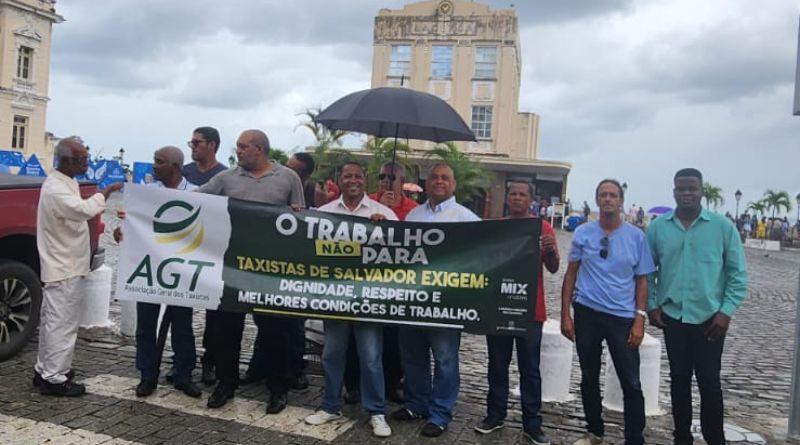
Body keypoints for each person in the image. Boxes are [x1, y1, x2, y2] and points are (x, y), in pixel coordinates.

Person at [197, 129, 305, 413]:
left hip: (270, 270)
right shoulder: (227, 178)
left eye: (243, 147)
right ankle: (226, 382)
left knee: (275, 331)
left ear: (260, 149)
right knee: (226, 329)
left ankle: (277, 388)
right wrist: (145, 206)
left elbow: (301, 218)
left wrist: (296, 213)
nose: (239, 151)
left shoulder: (288, 178)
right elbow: (195, 200)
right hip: (231, 267)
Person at [646, 168, 747, 445]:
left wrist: (726, 312)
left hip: (711, 320)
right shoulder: (658, 228)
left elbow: (737, 274)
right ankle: (681, 438)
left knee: (709, 381)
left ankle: (715, 439)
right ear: (674, 191)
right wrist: (652, 305)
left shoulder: (722, 227)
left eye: (692, 188)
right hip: (673, 318)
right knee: (679, 380)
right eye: (681, 189)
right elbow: (647, 270)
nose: (687, 193)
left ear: (702, 191)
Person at [304, 162, 396, 438]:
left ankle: (376, 411)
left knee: (370, 357)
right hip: (336, 299)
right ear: (339, 181)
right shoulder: (324, 213)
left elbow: (402, 253)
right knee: (332, 354)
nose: (353, 180)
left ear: (364, 180)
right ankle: (330, 405)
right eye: (347, 176)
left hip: (369, 299)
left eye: (357, 176)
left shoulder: (385, 213)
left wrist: (386, 229)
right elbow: (305, 244)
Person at [560, 179, 654, 445]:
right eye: (603, 195)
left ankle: (634, 437)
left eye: (613, 195)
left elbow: (642, 280)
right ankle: (594, 432)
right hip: (587, 312)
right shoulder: (584, 233)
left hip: (622, 318)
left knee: (631, 381)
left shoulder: (636, 237)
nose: (608, 199)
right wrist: (566, 314)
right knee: (589, 376)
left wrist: (639, 319)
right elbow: (571, 273)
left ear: (621, 201)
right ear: (597, 200)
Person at [391, 163, 480, 438]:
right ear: (427, 183)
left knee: (445, 359)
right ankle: (417, 403)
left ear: (454, 185)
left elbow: (479, 260)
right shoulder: (414, 215)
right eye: (434, 177)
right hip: (413, 301)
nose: (438, 181)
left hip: (446, 304)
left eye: (444, 178)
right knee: (413, 356)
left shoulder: (467, 219)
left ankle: (440, 413)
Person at [33, 136, 123, 396]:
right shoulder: (56, 189)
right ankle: (54, 378)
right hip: (63, 266)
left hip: (66, 262)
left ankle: (46, 369)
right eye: (83, 159)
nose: (88, 163)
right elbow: (83, 210)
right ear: (68, 161)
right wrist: (104, 193)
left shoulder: (65, 181)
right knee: (62, 323)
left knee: (53, 321)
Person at [473, 181, 559, 445]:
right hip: (498, 307)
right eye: (513, 194)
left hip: (531, 311)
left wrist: (551, 250)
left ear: (531, 200)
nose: (518, 198)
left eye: (523, 194)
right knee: (497, 365)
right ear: (508, 198)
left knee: (530, 369)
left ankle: (532, 424)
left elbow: (554, 268)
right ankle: (494, 415)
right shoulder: (497, 226)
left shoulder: (543, 227)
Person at [114, 146, 201, 398]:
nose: (154, 166)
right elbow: (126, 228)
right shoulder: (145, 194)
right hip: (150, 269)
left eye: (159, 162)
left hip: (182, 273)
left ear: (175, 166)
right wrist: (120, 231)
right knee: (146, 325)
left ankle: (184, 375)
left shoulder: (197, 194)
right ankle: (147, 375)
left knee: (183, 325)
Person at [242, 152, 316, 391]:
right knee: (263, 319)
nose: (288, 171)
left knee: (293, 327)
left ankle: (295, 370)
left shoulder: (317, 193)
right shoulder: (277, 189)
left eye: (295, 169)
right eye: (287, 166)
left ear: (305, 175)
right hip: (269, 266)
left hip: (298, 271)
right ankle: (259, 366)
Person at [368, 161, 419, 402]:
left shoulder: (413, 209)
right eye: (382, 176)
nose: (386, 181)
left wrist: (392, 215)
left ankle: (393, 382)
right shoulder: (367, 202)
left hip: (398, 284)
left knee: (394, 338)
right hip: (368, 281)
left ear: (402, 182)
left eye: (391, 177)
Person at [183, 126, 227, 386]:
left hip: (213, 251)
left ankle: (210, 361)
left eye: (197, 142)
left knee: (215, 312)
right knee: (180, 308)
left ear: (212, 145)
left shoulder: (224, 176)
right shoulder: (184, 172)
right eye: (191, 142)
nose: (193, 146)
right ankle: (183, 360)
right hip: (183, 250)